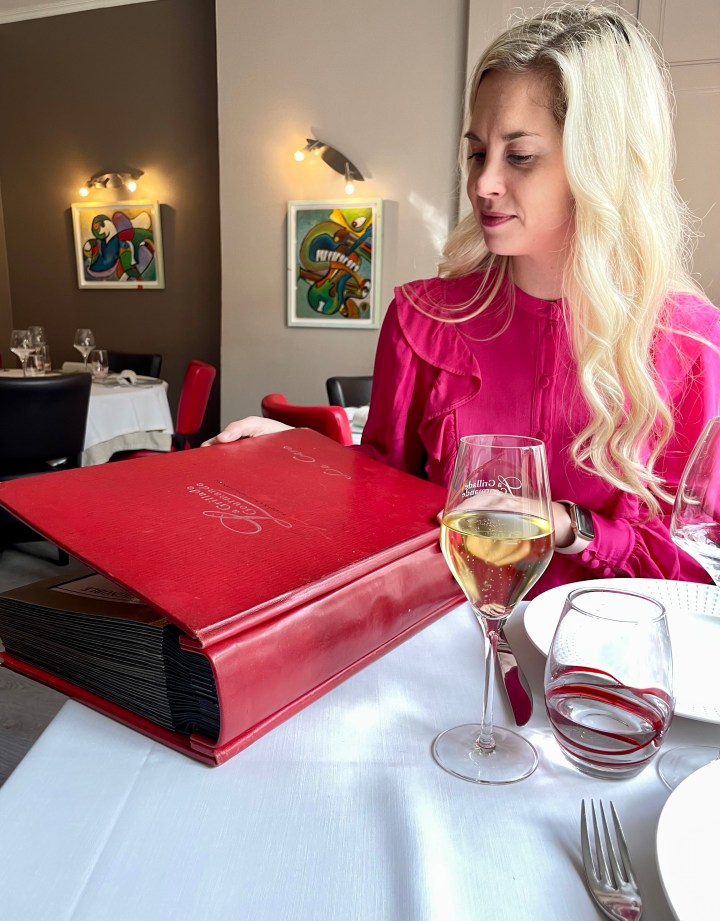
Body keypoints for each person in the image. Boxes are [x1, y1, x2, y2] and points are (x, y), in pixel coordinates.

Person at [205, 4, 720, 594]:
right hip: (444, 631)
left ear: (603, 165)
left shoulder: (689, 344)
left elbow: (697, 566)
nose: (483, 183)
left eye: (519, 156)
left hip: (603, 645)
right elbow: (381, 494)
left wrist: (569, 526)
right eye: (477, 153)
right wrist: (303, 462)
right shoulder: (425, 320)